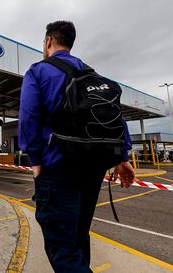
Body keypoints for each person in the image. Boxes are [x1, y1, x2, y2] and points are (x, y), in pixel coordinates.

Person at [18, 21, 135, 273]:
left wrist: (36, 165)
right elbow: (116, 119)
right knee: (79, 236)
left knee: (63, 248)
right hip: (93, 171)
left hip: (58, 169)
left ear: (49, 41)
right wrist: (122, 158)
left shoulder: (38, 71)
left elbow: (28, 118)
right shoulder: (93, 76)